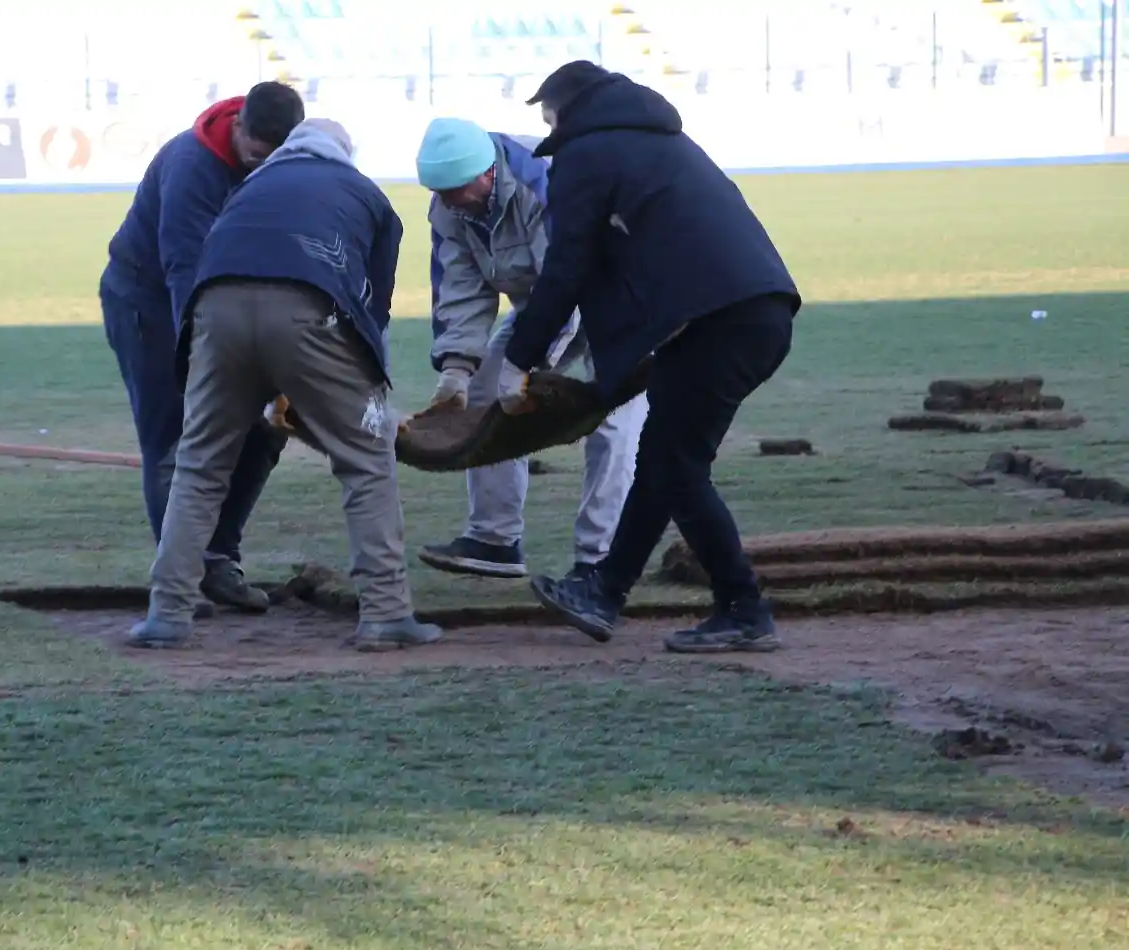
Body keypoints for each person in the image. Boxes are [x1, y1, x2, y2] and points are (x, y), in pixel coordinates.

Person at [499, 60, 802, 653]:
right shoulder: (664, 141)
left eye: (547, 112)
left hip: (717, 323)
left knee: (677, 469)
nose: (544, 123)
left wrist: (520, 359)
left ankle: (744, 609)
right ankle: (605, 592)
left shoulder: (584, 155)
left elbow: (567, 269)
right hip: (753, 312)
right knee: (664, 461)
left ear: (567, 110)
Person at [127, 119, 441, 653]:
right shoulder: (366, 193)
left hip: (214, 311)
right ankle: (386, 612)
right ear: (345, 154)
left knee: (200, 465)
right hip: (309, 310)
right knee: (367, 460)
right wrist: (367, 401)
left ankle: (167, 613)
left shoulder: (249, 187)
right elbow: (372, 311)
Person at [99, 81, 305, 614]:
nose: (260, 165)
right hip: (149, 301)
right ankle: (180, 579)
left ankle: (217, 559)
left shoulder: (290, 165)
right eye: (253, 155)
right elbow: (183, 270)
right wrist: (203, 356)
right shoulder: (193, 165)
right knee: (174, 438)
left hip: (237, 300)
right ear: (238, 128)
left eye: (272, 158)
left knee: (265, 428)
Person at [412, 116, 647, 582]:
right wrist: (457, 370)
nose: (450, 202)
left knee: (613, 422)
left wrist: (528, 365)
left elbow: (568, 278)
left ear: (487, 173)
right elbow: (462, 289)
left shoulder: (547, 182)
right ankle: (494, 540)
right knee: (483, 393)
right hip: (543, 304)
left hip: (620, 300)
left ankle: (599, 560)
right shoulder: (450, 208)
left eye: (457, 189)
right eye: (440, 193)